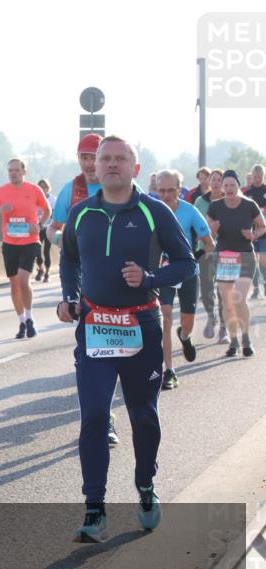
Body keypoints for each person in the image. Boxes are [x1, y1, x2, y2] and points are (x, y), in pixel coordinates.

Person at [58, 135, 196, 543]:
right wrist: (70, 298)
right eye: (106, 159)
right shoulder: (82, 214)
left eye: (121, 159)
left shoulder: (154, 211)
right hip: (95, 329)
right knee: (95, 417)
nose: (112, 165)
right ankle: (94, 508)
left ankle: (145, 487)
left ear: (135, 168)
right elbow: (68, 259)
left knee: (142, 417)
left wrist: (151, 279)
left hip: (142, 327)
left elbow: (187, 263)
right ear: (95, 168)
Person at [48, 133, 120, 446]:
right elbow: (52, 227)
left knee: (116, 352)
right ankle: (102, 421)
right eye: (84, 157)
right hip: (85, 282)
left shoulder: (122, 186)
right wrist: (60, 241)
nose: (89, 164)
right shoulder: (72, 188)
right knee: (94, 354)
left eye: (95, 156)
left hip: (120, 285)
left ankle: (107, 416)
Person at [153, 169, 215, 389]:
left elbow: (209, 244)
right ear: (156, 189)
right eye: (162, 190)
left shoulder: (190, 211)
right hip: (163, 273)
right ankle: (168, 371)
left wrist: (190, 258)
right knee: (166, 317)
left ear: (180, 190)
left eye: (171, 190)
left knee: (186, 322)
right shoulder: (151, 211)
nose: (167, 195)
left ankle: (185, 336)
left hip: (188, 272)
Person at [0, 158, 51, 339]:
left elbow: (47, 210)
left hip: (30, 241)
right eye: (10, 171)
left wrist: (39, 225)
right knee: (14, 284)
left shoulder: (33, 190)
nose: (13, 173)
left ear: (24, 171)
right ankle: (22, 321)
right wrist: (0, 209)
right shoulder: (1, 191)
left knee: (23, 280)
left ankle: (30, 318)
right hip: (9, 243)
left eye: (16, 170)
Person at [206, 169, 266, 357]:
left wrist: (253, 235)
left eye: (233, 185)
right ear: (222, 188)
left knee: (240, 298)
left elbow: (262, 226)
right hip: (224, 258)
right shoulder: (215, 206)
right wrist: (212, 230)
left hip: (246, 256)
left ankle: (246, 339)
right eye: (226, 185)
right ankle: (233, 342)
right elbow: (206, 233)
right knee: (227, 302)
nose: (229, 188)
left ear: (238, 186)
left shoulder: (249, 205)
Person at [195, 169, 228, 342]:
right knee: (207, 290)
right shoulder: (200, 201)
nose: (215, 182)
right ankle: (211, 316)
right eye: (213, 179)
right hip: (206, 250)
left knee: (223, 290)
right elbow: (195, 225)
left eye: (219, 179)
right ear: (209, 181)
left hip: (226, 250)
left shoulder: (230, 200)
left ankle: (223, 328)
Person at [242, 164, 266, 299]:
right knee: (253, 261)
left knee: (263, 260)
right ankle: (256, 287)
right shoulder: (245, 192)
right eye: (255, 177)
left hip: (264, 230)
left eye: (260, 177)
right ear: (252, 176)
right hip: (249, 231)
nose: (257, 179)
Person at [35, 178, 57, 282]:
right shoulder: (34, 199)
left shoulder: (52, 200)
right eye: (40, 187)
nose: (42, 189)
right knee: (36, 251)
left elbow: (55, 214)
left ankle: (47, 273)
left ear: (48, 188)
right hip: (37, 228)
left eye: (44, 187)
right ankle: (41, 269)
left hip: (48, 228)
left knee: (46, 251)